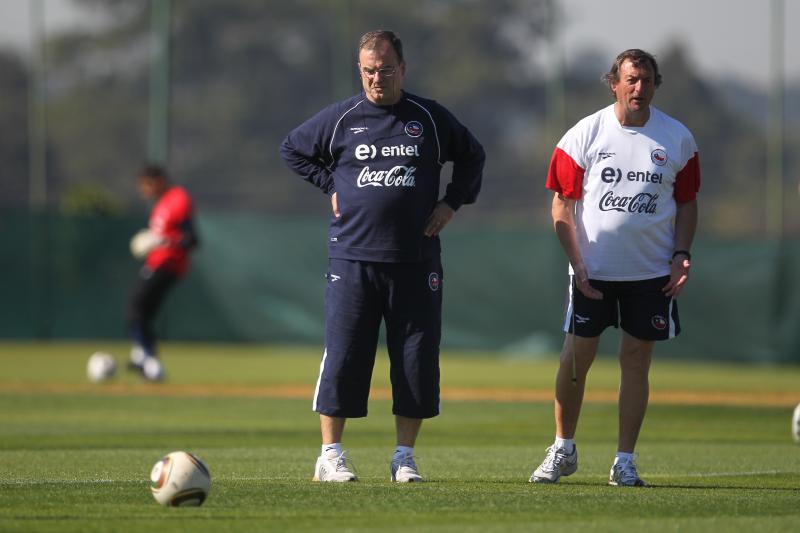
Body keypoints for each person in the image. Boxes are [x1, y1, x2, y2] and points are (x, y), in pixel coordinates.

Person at [280, 30, 485, 482]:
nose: (377, 79)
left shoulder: (428, 118)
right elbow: (293, 148)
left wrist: (452, 202)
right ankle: (330, 455)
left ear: (403, 69)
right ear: (360, 70)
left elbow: (472, 156)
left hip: (416, 259)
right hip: (353, 259)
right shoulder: (342, 118)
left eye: (386, 70)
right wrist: (330, 184)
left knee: (415, 358)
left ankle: (403, 457)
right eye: (369, 71)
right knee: (345, 355)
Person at [529, 49, 700, 487]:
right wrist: (577, 264)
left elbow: (687, 202)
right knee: (575, 359)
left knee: (636, 361)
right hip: (593, 272)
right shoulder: (583, 135)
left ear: (655, 84)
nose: (638, 87)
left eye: (645, 80)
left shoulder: (677, 138)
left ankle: (624, 460)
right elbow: (561, 206)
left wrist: (682, 254)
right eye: (630, 79)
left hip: (650, 275)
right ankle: (563, 448)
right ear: (614, 83)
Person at [127, 164, 199, 381]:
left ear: (158, 181)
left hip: (168, 264)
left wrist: (165, 240)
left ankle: (147, 358)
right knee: (141, 311)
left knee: (136, 307)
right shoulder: (161, 204)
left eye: (145, 185)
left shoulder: (178, 199)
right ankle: (142, 356)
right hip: (157, 263)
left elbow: (192, 239)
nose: (143, 190)